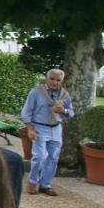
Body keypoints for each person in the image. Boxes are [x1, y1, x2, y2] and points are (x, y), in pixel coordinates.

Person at [20, 69, 75, 197]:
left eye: (58, 80)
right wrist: (30, 128)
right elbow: (26, 111)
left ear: (61, 81)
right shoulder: (36, 92)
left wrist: (64, 111)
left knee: (53, 158)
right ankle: (32, 181)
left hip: (56, 128)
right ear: (46, 78)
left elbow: (71, 112)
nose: (54, 82)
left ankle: (46, 185)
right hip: (39, 127)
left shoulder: (64, 95)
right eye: (52, 78)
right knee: (39, 156)